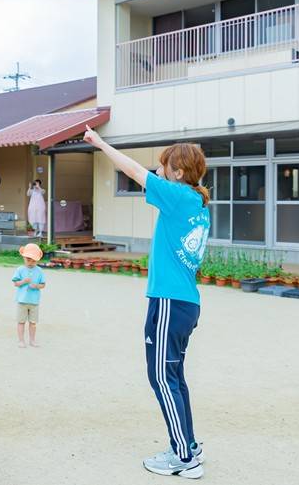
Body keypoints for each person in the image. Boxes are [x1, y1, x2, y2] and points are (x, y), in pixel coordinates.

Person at [84, 126, 210, 479]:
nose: (159, 171)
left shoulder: (178, 196)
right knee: (174, 376)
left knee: (160, 377)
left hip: (170, 302)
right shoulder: (195, 202)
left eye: (165, 166)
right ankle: (188, 444)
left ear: (179, 172)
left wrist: (100, 142)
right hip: (184, 302)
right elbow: (147, 175)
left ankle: (184, 458)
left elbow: (133, 171)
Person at [12, 243, 47, 348]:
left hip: (34, 301)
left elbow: (43, 284)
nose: (31, 263)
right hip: (22, 301)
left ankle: (32, 340)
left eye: (34, 260)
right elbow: (15, 283)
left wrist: (36, 286)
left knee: (33, 322)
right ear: (23, 258)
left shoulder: (39, 271)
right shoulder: (20, 269)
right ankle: (21, 341)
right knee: (21, 322)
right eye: (28, 260)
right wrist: (23, 281)